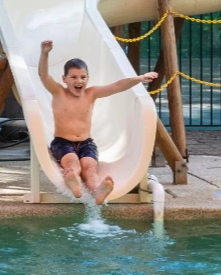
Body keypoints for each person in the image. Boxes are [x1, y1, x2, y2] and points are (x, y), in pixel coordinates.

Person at [37, 40, 157, 204]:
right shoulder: (58, 92)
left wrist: (138, 78)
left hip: (87, 143)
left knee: (90, 168)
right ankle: (74, 181)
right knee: (72, 163)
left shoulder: (91, 94)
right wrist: (45, 53)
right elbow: (43, 75)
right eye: (73, 77)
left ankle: (98, 190)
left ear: (88, 78)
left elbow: (116, 86)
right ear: (64, 79)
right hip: (62, 142)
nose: (78, 81)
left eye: (83, 77)